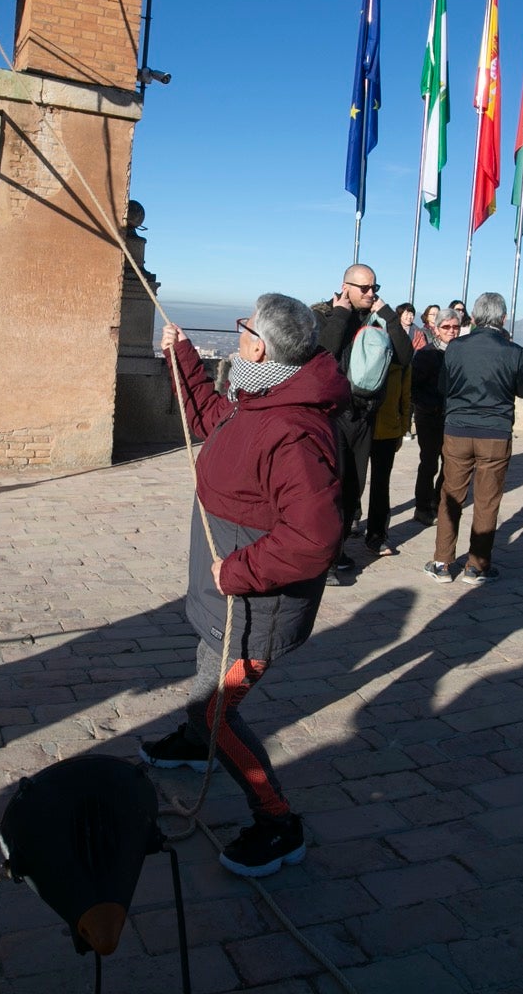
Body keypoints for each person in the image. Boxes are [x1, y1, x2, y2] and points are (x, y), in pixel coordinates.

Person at [145, 295, 346, 877]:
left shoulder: (292, 429)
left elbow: (313, 538)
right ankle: (193, 745)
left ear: (258, 346)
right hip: (228, 600)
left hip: (259, 605)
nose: (239, 337)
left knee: (216, 711)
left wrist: (236, 572)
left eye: (244, 329)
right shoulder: (257, 395)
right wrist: (183, 356)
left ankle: (278, 822)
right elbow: (208, 419)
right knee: (207, 665)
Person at [424, 292, 523, 585]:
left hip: (458, 429)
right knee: (487, 500)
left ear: (472, 318)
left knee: (451, 495)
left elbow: (444, 386)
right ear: (503, 318)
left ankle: (442, 561)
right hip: (495, 433)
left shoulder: (456, 347)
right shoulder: (515, 351)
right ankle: (477, 566)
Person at [314, 264, 413, 577]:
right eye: (365, 289)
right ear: (346, 287)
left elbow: (405, 356)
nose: (372, 294)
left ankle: (337, 550)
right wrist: (341, 314)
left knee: (354, 486)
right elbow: (322, 355)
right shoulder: (321, 314)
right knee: (331, 487)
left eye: (375, 288)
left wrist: (390, 317)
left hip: (365, 416)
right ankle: (323, 559)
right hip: (331, 416)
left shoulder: (378, 319)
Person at [409, 310, 461, 526]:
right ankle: (422, 507)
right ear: (437, 329)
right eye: (446, 327)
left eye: (455, 327)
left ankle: (437, 502)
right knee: (429, 463)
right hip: (430, 417)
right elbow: (414, 386)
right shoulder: (425, 354)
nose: (451, 331)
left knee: (449, 464)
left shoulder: (462, 353)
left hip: (452, 418)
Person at [364, 333, 412, 557]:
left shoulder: (400, 363)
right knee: (352, 483)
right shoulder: (360, 355)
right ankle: (352, 521)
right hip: (361, 428)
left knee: (381, 485)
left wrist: (402, 429)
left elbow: (405, 397)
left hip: (387, 430)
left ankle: (377, 535)